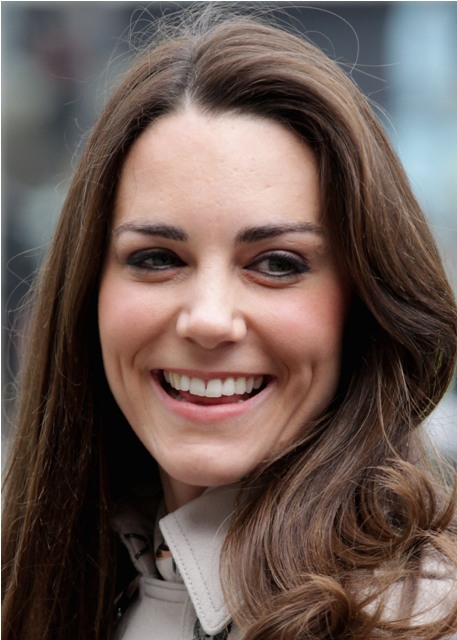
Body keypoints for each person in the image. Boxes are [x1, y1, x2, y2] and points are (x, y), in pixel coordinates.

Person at [2, 9, 457, 640]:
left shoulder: (416, 622)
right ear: (87, 292)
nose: (209, 321)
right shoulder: (50, 581)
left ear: (364, 304)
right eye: (157, 258)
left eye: (277, 264)